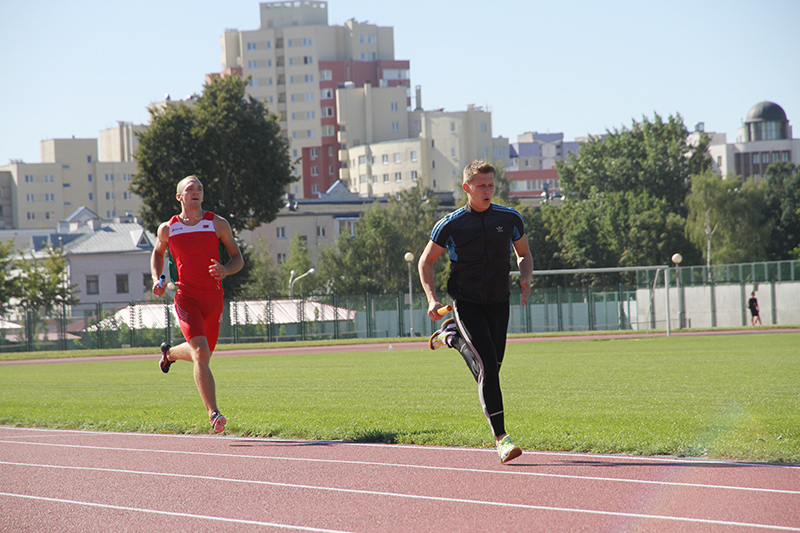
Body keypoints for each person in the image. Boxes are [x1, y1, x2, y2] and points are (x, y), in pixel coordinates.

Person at [418, 160, 533, 464]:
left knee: (492, 365)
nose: (487, 190)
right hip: (466, 302)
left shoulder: (510, 218)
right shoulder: (451, 224)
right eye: (481, 185)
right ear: (466, 188)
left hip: (498, 301)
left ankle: (451, 336)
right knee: (488, 370)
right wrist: (431, 299)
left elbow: (523, 254)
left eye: (491, 185)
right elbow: (425, 262)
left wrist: (525, 277)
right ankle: (502, 439)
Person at [151, 175, 244, 433]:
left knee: (201, 354)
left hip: (213, 299)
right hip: (186, 297)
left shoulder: (217, 223)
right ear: (179, 197)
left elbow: (238, 259)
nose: (196, 192)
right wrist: (157, 279)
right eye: (190, 188)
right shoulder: (168, 229)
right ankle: (214, 413)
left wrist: (225, 270)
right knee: (201, 353)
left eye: (200, 188)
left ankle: (169, 354)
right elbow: (158, 253)